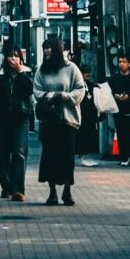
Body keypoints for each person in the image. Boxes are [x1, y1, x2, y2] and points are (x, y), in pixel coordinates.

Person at [33, 36, 87, 206]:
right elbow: (36, 90)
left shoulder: (71, 68)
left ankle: (67, 190)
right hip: (49, 121)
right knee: (49, 156)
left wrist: (66, 96)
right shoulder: (42, 70)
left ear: (56, 49)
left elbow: (81, 89)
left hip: (67, 121)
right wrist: (50, 96)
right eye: (44, 48)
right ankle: (52, 192)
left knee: (67, 156)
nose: (46, 51)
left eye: (49, 47)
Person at [0, 44, 35, 201]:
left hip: (21, 117)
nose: (14, 58)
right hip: (3, 118)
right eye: (11, 55)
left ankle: (18, 189)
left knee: (19, 151)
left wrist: (20, 72)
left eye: (17, 56)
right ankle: (6, 186)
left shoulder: (26, 73)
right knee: (3, 154)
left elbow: (30, 90)